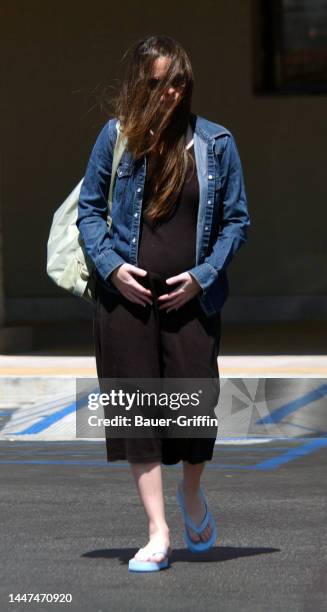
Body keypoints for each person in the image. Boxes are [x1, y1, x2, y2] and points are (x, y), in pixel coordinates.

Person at [77, 35, 250, 572]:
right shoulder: (116, 138)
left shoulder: (216, 143)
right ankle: (157, 531)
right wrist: (111, 267)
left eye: (177, 82)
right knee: (138, 414)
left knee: (196, 411)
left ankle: (192, 493)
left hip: (190, 300)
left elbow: (236, 220)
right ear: (138, 83)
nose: (168, 93)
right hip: (125, 302)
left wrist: (202, 276)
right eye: (156, 83)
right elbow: (87, 212)